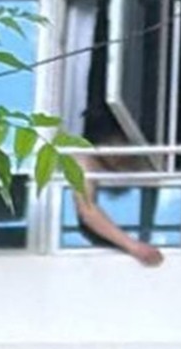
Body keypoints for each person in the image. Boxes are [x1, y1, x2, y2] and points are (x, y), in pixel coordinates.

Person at [70, 107, 164, 267]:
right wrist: (134, 247)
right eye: (115, 143)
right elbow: (87, 211)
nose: (120, 152)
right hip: (90, 243)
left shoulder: (136, 153)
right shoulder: (82, 161)